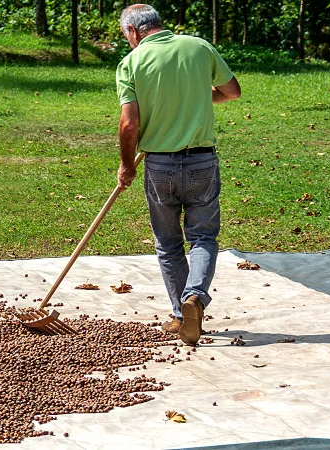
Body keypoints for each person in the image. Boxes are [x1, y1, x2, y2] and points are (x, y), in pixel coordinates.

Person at [114, 4, 241, 345]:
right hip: (202, 162)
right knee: (203, 238)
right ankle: (194, 299)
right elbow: (232, 92)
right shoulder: (198, 47)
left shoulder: (132, 62)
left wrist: (126, 165)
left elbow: (129, 123)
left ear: (133, 31)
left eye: (126, 36)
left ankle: (178, 313)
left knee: (169, 244)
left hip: (160, 166)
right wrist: (196, 98)